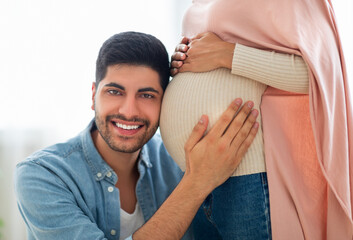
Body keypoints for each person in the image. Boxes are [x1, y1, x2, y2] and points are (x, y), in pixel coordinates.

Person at [14, 31, 260, 240]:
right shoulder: (41, 174)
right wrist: (197, 184)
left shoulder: (177, 162)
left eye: (147, 95)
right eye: (114, 91)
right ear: (93, 96)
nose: (128, 111)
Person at [160, 0, 353, 239]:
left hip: (249, 176)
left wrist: (226, 55)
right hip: (193, 175)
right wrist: (183, 58)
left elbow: (321, 77)